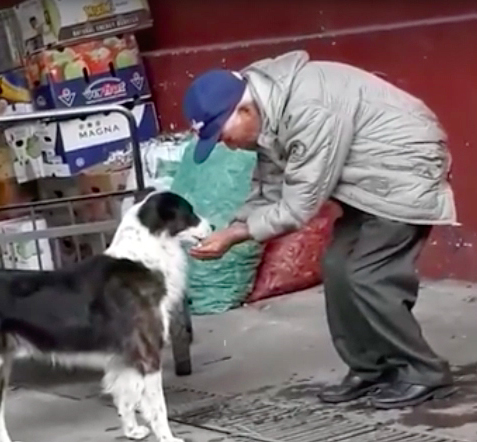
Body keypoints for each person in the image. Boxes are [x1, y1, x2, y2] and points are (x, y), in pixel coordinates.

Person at [182, 51, 457, 409]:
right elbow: (269, 186)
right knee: (337, 267)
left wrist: (236, 236)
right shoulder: (268, 108)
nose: (225, 144)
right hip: (365, 181)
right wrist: (234, 225)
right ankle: (371, 367)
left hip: (404, 171)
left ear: (245, 112)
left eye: (222, 135)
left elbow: (299, 205)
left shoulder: (308, 110)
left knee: (368, 275)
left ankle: (426, 373)